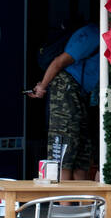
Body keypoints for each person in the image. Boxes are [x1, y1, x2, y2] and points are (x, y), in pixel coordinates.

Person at [28, 22, 99, 180]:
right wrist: (42, 88)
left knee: (82, 154)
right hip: (66, 90)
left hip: (82, 95)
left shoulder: (107, 37)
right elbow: (58, 62)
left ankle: (84, 203)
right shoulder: (91, 35)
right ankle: (64, 204)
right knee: (64, 154)